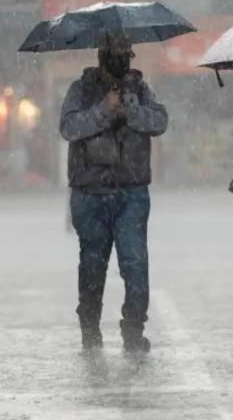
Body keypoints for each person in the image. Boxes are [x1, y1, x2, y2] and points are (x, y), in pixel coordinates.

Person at [59, 33, 168, 352]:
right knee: (92, 267)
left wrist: (130, 112)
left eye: (126, 54)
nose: (121, 60)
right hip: (90, 194)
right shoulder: (80, 90)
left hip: (132, 192)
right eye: (115, 54)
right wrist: (103, 111)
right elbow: (69, 128)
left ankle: (134, 328)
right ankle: (90, 329)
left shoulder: (140, 88)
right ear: (101, 55)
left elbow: (160, 121)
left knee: (135, 263)